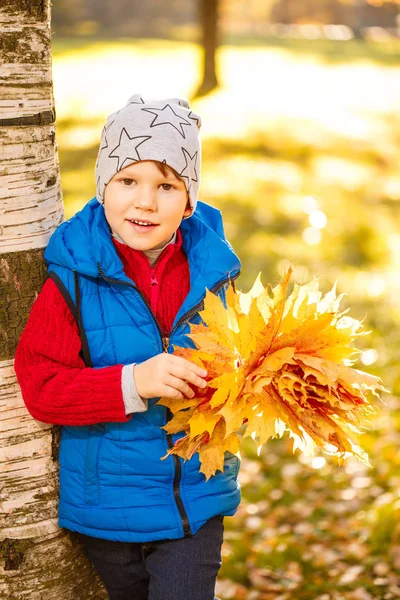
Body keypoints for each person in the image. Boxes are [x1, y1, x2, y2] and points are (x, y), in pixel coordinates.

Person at [14, 94, 242, 600]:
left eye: (166, 185)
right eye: (127, 181)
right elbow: (42, 386)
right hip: (107, 508)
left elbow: (237, 372)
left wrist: (244, 392)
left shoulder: (213, 272)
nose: (145, 201)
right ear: (102, 188)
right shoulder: (73, 279)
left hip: (194, 504)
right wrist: (131, 383)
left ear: (189, 201)